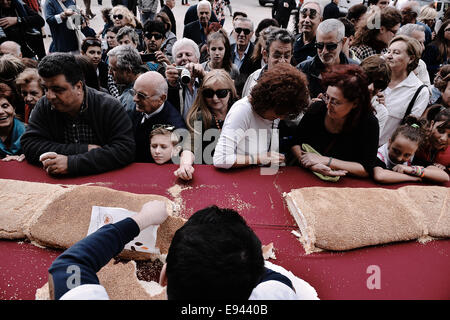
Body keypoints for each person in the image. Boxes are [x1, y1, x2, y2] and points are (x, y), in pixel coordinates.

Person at [48, 201, 304, 300]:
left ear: (164, 276)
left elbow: (71, 265)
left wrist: (139, 219)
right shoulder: (272, 295)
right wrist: (235, 251)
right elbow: (278, 281)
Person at [20, 53, 136, 176]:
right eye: (45, 88)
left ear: (79, 86)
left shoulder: (109, 106)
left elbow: (125, 149)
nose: (49, 96)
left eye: (57, 89)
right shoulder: (44, 105)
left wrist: (72, 164)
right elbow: (29, 144)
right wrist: (81, 150)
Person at [213, 63, 309, 170]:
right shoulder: (242, 110)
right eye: (277, 114)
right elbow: (221, 159)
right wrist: (259, 158)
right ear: (267, 101)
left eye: (284, 114)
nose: (281, 118)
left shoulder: (276, 110)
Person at [291, 64, 379, 179]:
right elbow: (295, 143)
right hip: (307, 175)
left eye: (335, 102)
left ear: (355, 103)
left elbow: (366, 168)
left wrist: (326, 161)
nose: (328, 105)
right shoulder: (317, 109)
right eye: (327, 97)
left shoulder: (368, 123)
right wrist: (312, 165)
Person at [179, 69, 237, 176]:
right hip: (209, 173)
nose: (215, 98)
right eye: (209, 93)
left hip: (237, 170)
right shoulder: (199, 117)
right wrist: (185, 165)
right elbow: (189, 146)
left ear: (230, 92)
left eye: (221, 93)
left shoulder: (239, 111)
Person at [379, 35, 430, 146]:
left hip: (385, 152)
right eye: (388, 51)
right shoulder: (375, 78)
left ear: (411, 59)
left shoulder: (419, 91)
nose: (389, 56)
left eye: (396, 53)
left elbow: (409, 131)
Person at [130, 71, 186, 163]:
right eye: (134, 92)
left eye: (141, 95)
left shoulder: (174, 126)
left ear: (161, 98)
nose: (135, 99)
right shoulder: (141, 106)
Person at [373, 115, 449, 183]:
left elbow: (444, 177)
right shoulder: (379, 155)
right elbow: (380, 176)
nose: (399, 158)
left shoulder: (413, 158)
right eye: (396, 151)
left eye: (407, 155)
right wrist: (412, 178)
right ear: (389, 142)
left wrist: (411, 170)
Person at [298, 18, 358, 99]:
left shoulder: (356, 70)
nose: (324, 51)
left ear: (343, 42)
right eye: (319, 46)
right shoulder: (302, 70)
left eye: (331, 46)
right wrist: (309, 106)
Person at [242, 28, 294, 98]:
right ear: (265, 55)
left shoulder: (298, 84)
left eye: (287, 56)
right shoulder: (254, 78)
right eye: (277, 56)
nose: (282, 61)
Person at [165, 38, 206, 121]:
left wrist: (204, 77)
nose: (184, 58)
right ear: (174, 63)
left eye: (188, 54)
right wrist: (170, 84)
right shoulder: (171, 83)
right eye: (179, 56)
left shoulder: (206, 77)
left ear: (197, 60)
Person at [360, 55, 391, 140]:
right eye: (367, 79)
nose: (370, 87)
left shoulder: (381, 112)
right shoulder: (342, 95)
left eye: (378, 83)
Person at [108, 44, 146, 113]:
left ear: (128, 71)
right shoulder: (147, 81)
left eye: (113, 69)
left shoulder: (130, 100)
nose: (109, 72)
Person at [396, 23, 431, 90]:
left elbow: (427, 92)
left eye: (423, 43)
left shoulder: (420, 64)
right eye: (418, 43)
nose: (423, 47)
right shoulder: (390, 62)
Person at [415, 105, 450, 171]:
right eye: (440, 131)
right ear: (432, 124)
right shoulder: (414, 140)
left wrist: (446, 169)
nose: (443, 138)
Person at [231, 17, 257, 97]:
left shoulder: (257, 54)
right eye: (238, 30)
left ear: (252, 33)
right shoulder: (226, 50)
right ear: (233, 32)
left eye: (246, 31)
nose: (242, 34)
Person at [0, 82, 25, 161]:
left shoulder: (31, 134)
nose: (0, 111)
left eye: (5, 106)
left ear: (13, 108)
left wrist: (28, 157)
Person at [293, 0, 323, 65]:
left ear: (320, 20)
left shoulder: (322, 47)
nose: (306, 20)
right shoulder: (293, 41)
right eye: (304, 16)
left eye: (311, 17)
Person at [422, 19, 450, 83]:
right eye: (449, 30)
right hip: (434, 81)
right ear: (442, 31)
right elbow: (425, 66)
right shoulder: (433, 47)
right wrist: (441, 67)